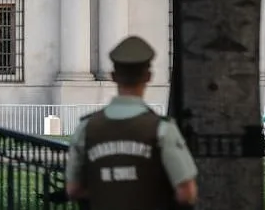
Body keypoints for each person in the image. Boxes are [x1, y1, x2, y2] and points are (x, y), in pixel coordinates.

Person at [65, 36, 198, 209]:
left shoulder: (87, 128)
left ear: (113, 76)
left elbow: (73, 189)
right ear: (148, 76)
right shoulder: (162, 130)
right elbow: (186, 192)